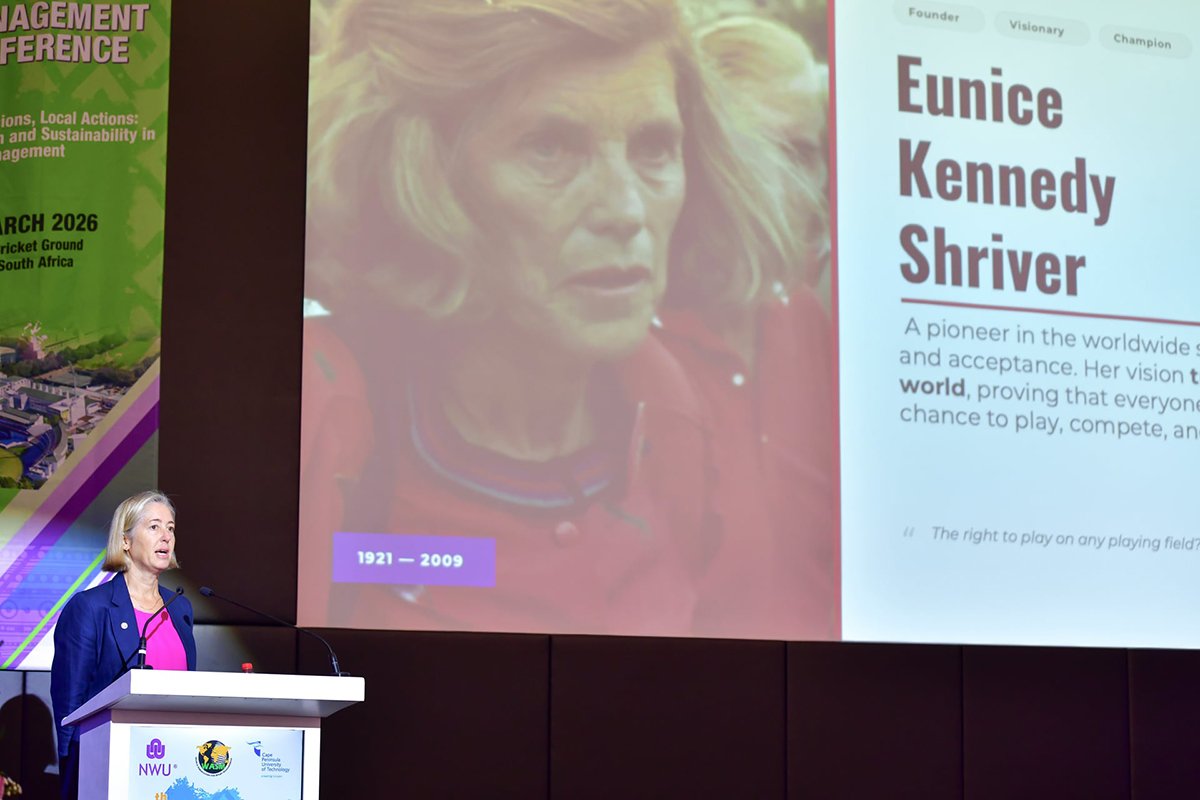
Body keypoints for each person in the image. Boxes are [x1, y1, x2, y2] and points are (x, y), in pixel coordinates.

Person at [301, 0, 831, 638]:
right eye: (550, 148)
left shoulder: (663, 404)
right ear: (419, 175)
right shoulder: (323, 406)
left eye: (654, 147)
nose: (625, 210)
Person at [50, 490, 196, 800]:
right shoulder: (91, 608)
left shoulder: (180, 608)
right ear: (125, 540)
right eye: (154, 526)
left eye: (170, 528)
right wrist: (74, 776)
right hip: (111, 765)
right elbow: (69, 707)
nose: (166, 536)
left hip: (173, 766)